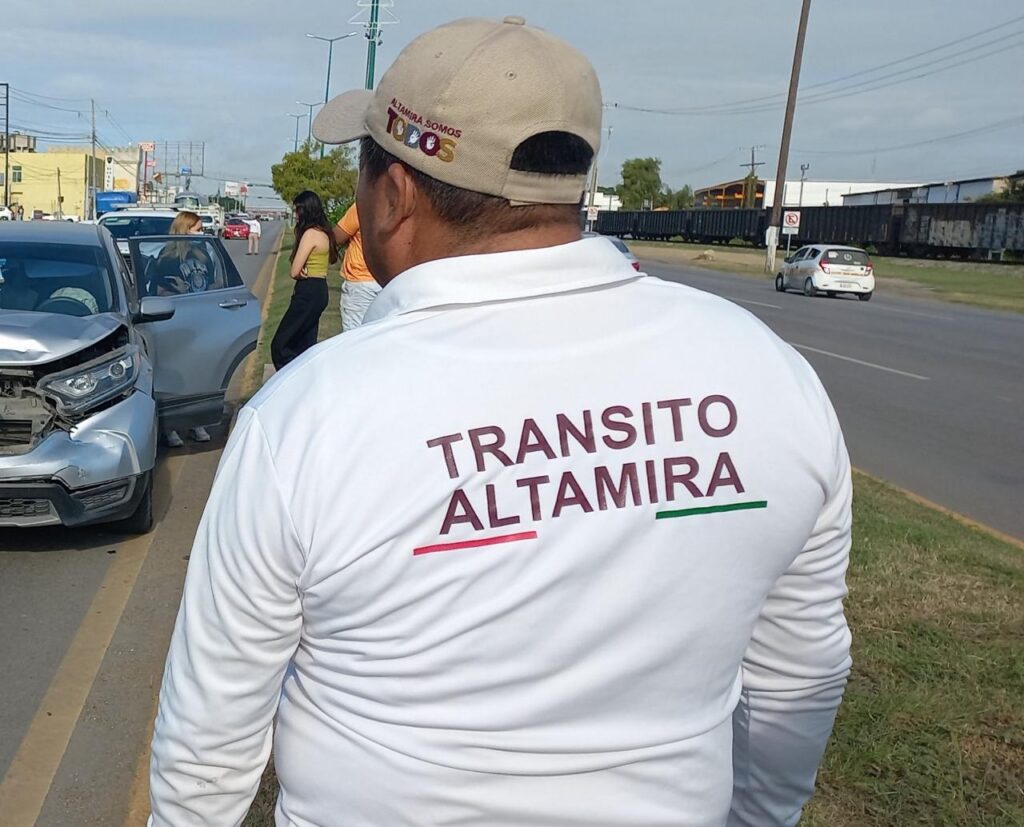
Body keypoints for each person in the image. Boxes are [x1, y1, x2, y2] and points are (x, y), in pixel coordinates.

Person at [149, 17, 852, 827]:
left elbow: (209, 743)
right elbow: (799, 675)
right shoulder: (769, 376)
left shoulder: (306, 419)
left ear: (394, 195)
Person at [156, 211, 212, 447]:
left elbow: (213, 284)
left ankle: (196, 422)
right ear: (184, 229)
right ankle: (171, 427)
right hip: (175, 321)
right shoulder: (166, 258)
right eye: (197, 229)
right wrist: (175, 291)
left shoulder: (204, 255)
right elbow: (157, 291)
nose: (202, 233)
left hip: (201, 320)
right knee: (175, 374)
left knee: (198, 373)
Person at [268, 190, 336, 369]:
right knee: (305, 345)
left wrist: (299, 272)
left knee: (280, 345)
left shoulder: (310, 234)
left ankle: (291, 377)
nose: (296, 215)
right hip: (321, 289)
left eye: (298, 210)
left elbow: (294, 271)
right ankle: (306, 374)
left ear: (306, 210)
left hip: (307, 290)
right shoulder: (325, 233)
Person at [333, 202, 380, 329]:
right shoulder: (401, 207)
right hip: (387, 280)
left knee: (354, 334)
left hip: (359, 280)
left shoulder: (363, 205)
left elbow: (337, 237)